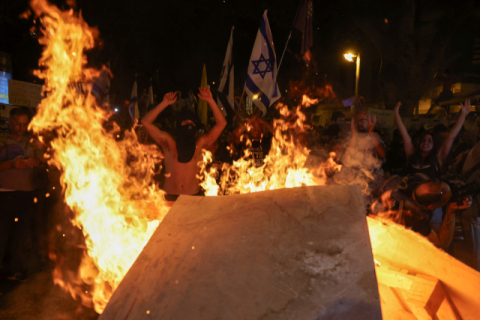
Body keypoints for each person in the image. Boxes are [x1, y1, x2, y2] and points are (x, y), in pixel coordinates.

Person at [142, 88, 226, 201]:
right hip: (170, 197)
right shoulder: (169, 143)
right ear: (179, 125)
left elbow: (221, 124)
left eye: (192, 123)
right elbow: (145, 122)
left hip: (193, 197)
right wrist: (164, 103)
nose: (189, 126)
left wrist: (210, 100)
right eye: (185, 123)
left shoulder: (200, 144)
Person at [372, 173, 472, 250]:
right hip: (387, 230)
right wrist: (451, 211)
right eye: (446, 200)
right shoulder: (412, 217)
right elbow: (442, 243)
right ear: (431, 207)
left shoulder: (418, 178)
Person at [0, 107, 43, 280]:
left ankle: (13, 271)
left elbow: (42, 163)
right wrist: (10, 164)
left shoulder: (31, 142)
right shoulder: (2, 140)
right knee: (2, 233)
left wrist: (36, 162)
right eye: (18, 124)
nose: (21, 128)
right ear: (10, 122)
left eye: (24, 124)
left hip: (26, 192)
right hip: (5, 193)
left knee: (20, 234)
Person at [394, 100, 471, 179]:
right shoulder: (412, 154)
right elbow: (405, 136)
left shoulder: (438, 157)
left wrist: (463, 115)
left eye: (429, 141)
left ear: (434, 144)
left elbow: (451, 136)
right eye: (423, 140)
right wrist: (396, 115)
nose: (425, 143)